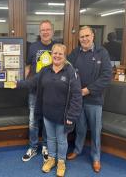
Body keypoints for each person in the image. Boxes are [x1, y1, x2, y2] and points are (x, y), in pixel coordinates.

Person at [16, 44, 82, 177]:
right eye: (55, 53)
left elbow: (77, 95)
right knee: (50, 139)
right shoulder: (45, 70)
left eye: (60, 54)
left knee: (62, 140)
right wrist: (16, 83)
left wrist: (72, 115)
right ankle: (51, 159)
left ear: (64, 56)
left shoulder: (70, 72)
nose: (57, 56)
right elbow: (32, 82)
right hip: (47, 113)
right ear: (51, 55)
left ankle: (61, 162)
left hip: (64, 115)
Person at [66, 26, 112, 173]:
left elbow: (106, 76)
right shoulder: (75, 53)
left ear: (93, 36)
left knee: (95, 131)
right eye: (81, 37)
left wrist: (87, 90)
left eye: (87, 36)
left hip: (94, 100)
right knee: (80, 128)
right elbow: (67, 69)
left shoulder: (102, 53)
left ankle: (96, 157)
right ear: (79, 39)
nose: (84, 39)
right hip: (78, 100)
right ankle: (78, 150)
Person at [22, 20, 59, 162]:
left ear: (52, 32)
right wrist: (24, 82)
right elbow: (27, 67)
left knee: (47, 120)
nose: (45, 32)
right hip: (34, 90)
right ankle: (33, 147)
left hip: (50, 91)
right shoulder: (33, 47)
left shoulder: (56, 47)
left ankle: (45, 147)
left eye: (48, 29)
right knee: (33, 120)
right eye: (42, 30)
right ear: (39, 32)